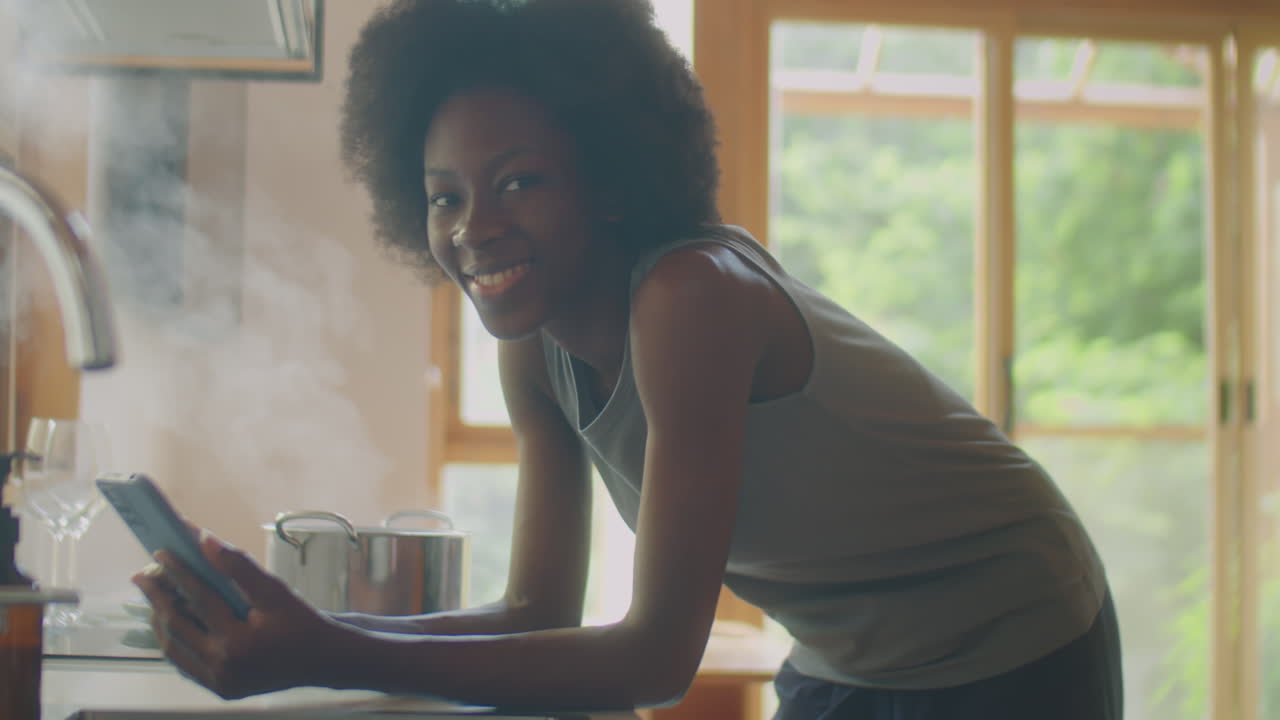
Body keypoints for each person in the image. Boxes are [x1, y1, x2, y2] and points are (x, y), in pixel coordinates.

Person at [133, 0, 1124, 717]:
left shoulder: (687, 298)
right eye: (444, 195)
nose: (475, 228)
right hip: (845, 659)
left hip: (1009, 632)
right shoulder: (535, 348)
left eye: (518, 181)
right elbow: (538, 609)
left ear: (607, 182)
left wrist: (329, 655)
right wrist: (311, 630)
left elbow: (654, 661)